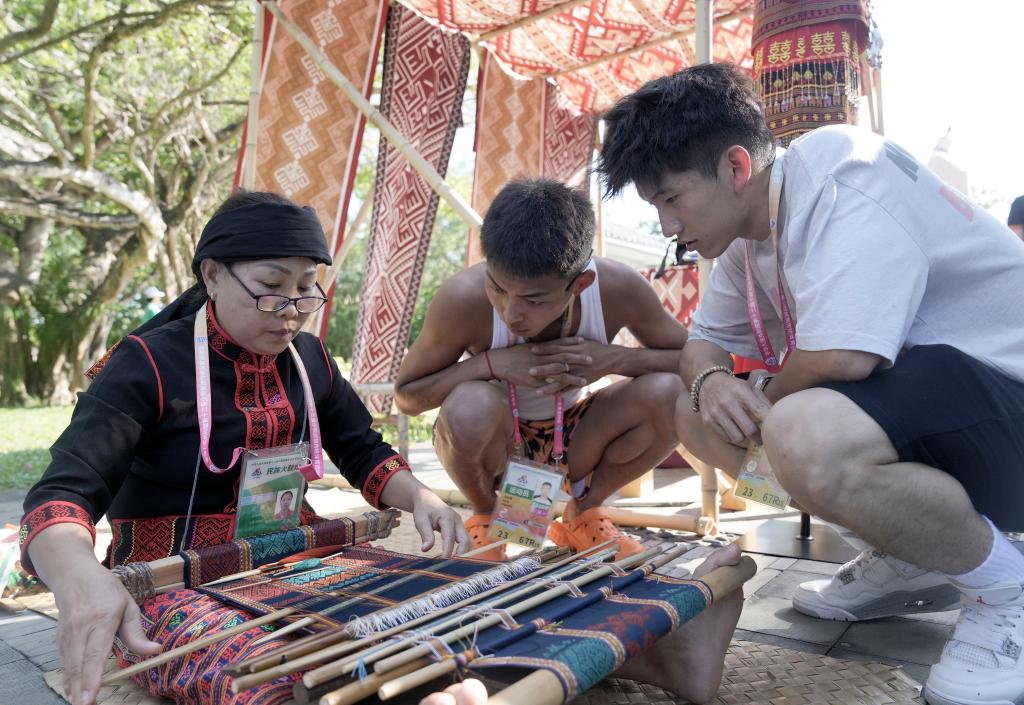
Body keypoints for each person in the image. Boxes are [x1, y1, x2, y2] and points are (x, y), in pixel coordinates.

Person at [598, 63, 1024, 705]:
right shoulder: (747, 238)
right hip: (952, 407)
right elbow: (700, 348)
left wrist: (760, 398)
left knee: (800, 430)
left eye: (670, 199)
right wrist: (713, 381)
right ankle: (911, 549)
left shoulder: (843, 171)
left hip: (1008, 398)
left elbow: (843, 356)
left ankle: (1007, 590)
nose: (667, 228)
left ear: (737, 168)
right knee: (693, 412)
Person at [19, 190, 470, 705]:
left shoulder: (309, 357)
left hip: (302, 556)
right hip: (172, 581)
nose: (292, 311)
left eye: (306, 290)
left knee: (444, 610)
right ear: (211, 275)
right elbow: (62, 494)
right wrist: (79, 576)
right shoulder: (145, 365)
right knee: (278, 671)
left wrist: (421, 499)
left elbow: (360, 447)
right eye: (271, 288)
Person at [395, 179, 687, 560]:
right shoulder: (462, 298)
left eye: (534, 299)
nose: (511, 313)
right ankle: (486, 517)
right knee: (470, 405)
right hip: (501, 445)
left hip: (580, 436)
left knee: (671, 392)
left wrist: (612, 359)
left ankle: (583, 515)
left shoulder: (618, 288)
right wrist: (490, 364)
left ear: (580, 284)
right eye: (497, 288)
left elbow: (696, 359)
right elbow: (407, 397)